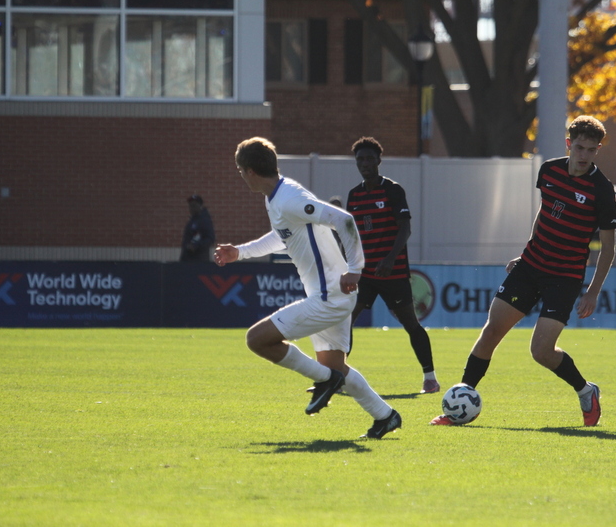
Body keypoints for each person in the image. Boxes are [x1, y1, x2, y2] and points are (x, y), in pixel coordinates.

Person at [430, 115, 616, 427]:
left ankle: (585, 391)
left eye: (591, 150)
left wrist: (593, 291)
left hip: (565, 277)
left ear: (597, 150)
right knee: (492, 331)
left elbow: (609, 248)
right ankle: (460, 405)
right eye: (580, 148)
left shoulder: (602, 190)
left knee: (541, 351)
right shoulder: (549, 171)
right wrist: (526, 251)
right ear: (569, 144)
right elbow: (545, 213)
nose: (584, 155)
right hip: (531, 266)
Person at [213, 137, 401, 439]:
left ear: (249, 171)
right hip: (332, 295)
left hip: (330, 297)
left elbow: (344, 219)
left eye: (239, 171)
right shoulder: (276, 197)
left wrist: (355, 269)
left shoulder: (289, 198)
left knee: (256, 340)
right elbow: (281, 235)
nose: (240, 176)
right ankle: (385, 415)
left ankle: (327, 380)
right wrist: (240, 252)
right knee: (335, 365)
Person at [347, 136, 439, 394]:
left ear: (378, 160)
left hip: (393, 272)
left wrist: (389, 259)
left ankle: (430, 378)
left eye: (369, 158)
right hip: (365, 273)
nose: (364, 163)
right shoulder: (354, 195)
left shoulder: (392, 190)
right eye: (360, 159)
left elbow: (405, 228)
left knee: (410, 323)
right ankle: (336, 376)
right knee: (345, 320)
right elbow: (351, 233)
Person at [180, 194, 215, 262]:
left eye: (194, 206)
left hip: (198, 260)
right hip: (187, 259)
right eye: (190, 206)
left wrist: (196, 246)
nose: (191, 208)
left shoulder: (205, 220)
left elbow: (210, 238)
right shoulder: (192, 221)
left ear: (200, 206)